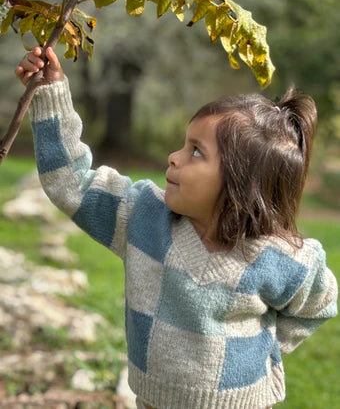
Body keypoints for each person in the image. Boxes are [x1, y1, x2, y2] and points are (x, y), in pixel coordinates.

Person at [16, 46, 338, 409]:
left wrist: (262, 350)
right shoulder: (143, 219)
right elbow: (71, 182)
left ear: (240, 185)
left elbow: (320, 303)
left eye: (195, 151)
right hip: (154, 400)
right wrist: (50, 92)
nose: (174, 156)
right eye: (184, 145)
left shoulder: (278, 257)